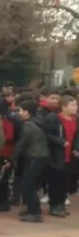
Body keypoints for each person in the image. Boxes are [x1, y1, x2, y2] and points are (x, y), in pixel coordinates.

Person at [13, 100, 49, 223]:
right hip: (39, 156)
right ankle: (31, 208)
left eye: (20, 110)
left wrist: (12, 157)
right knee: (30, 184)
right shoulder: (38, 120)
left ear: (27, 112)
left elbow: (22, 143)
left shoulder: (29, 125)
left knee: (27, 184)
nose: (19, 113)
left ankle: (35, 212)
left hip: (36, 156)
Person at [37, 88, 69, 217]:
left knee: (63, 181)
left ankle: (60, 204)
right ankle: (55, 206)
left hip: (64, 153)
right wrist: (61, 142)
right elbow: (47, 134)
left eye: (57, 98)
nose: (54, 101)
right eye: (52, 98)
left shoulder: (63, 116)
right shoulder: (47, 115)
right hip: (51, 153)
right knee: (54, 180)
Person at [0, 97, 16, 212]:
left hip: (5, 155)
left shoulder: (7, 122)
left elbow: (8, 137)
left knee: (2, 180)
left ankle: (3, 202)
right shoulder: (4, 120)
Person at [58, 96, 79, 209]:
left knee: (68, 175)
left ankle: (64, 195)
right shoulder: (56, 119)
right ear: (64, 107)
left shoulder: (77, 120)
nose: (76, 107)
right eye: (73, 105)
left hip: (71, 153)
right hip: (58, 152)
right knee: (56, 176)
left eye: (76, 104)